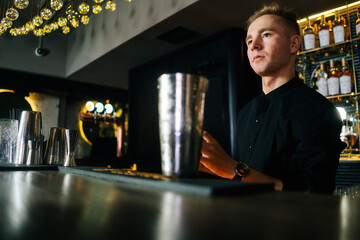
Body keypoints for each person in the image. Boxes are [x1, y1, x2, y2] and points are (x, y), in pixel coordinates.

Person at [199, 3, 345, 193]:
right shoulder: (245, 112)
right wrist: (209, 166)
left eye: (266, 35)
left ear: (293, 44)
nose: (254, 46)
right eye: (249, 41)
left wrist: (234, 170)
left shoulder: (320, 111)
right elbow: (241, 179)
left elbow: (312, 193)